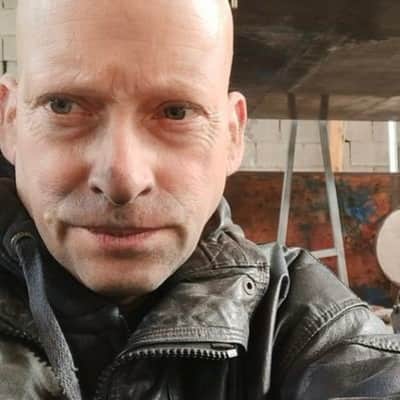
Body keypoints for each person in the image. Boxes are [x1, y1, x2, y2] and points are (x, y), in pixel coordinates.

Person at [0, 1, 400, 399]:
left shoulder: (299, 323)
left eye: (176, 112)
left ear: (232, 136)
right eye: (64, 106)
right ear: (10, 121)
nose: (123, 179)